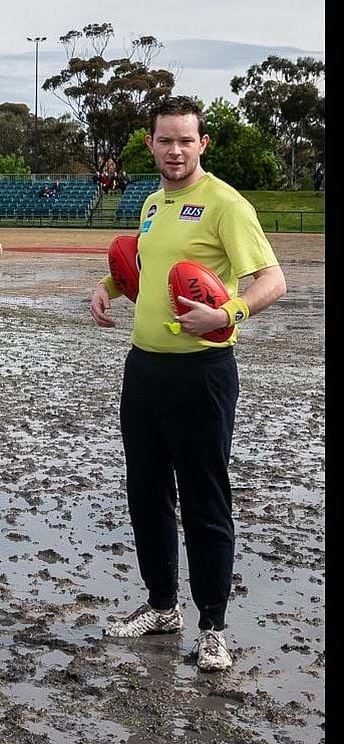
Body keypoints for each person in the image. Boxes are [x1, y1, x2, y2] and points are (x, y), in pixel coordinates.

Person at [91, 96, 287, 672]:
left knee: (204, 499)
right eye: (164, 140)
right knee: (146, 492)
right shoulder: (152, 203)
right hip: (144, 367)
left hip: (202, 372)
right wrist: (108, 285)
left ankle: (213, 626)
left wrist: (231, 315)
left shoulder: (226, 203)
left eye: (185, 140)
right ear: (150, 144)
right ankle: (161, 605)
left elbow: (272, 279)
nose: (174, 150)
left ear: (202, 144)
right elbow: (149, 266)